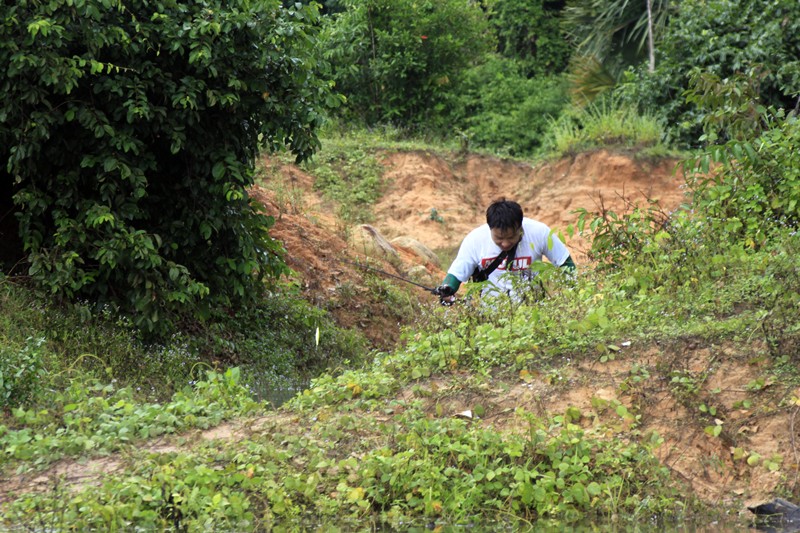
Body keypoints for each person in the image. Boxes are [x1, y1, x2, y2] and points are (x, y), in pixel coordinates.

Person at [434, 199, 575, 304]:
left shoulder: (539, 232)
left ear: (520, 227)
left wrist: (574, 296)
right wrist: (447, 290)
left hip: (534, 310)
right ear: (490, 229)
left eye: (511, 237)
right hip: (492, 315)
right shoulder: (475, 239)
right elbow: (457, 273)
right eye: (499, 238)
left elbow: (565, 263)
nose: (506, 243)